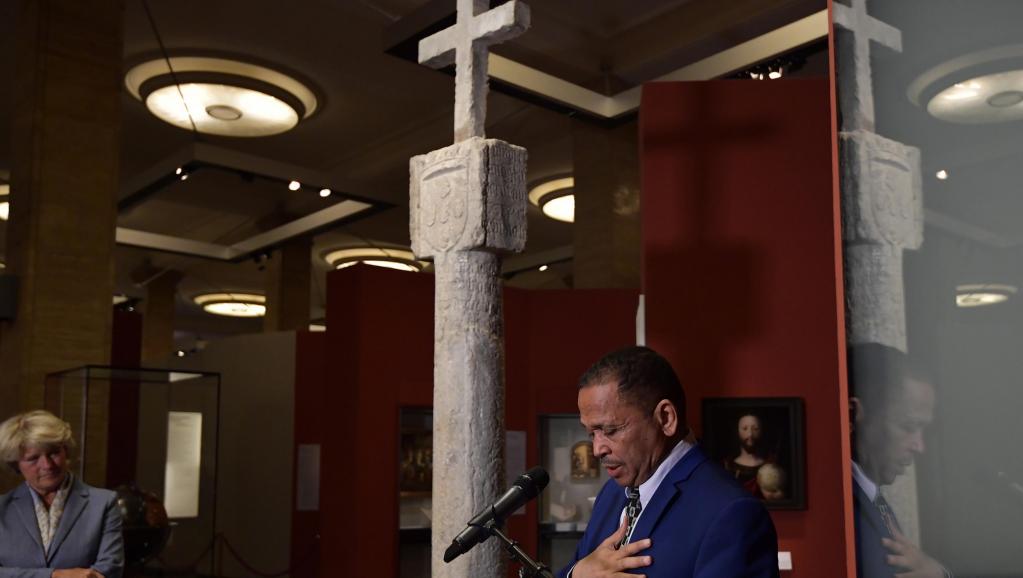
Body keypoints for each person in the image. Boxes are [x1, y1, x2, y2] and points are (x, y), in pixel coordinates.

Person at [558, 346, 779, 578]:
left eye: (610, 430)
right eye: (591, 433)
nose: (597, 449)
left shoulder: (732, 514)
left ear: (665, 418)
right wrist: (576, 574)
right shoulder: (611, 494)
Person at [847, 344, 950, 578]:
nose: (919, 446)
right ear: (853, 414)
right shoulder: (841, 504)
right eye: (908, 426)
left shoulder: (872, 498)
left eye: (923, 430)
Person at [0, 410, 124, 578]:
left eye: (53, 452)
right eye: (33, 458)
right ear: (16, 464)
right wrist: (55, 575)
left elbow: (110, 569)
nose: (47, 465)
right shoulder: (2, 508)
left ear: (66, 451)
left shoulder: (103, 503)